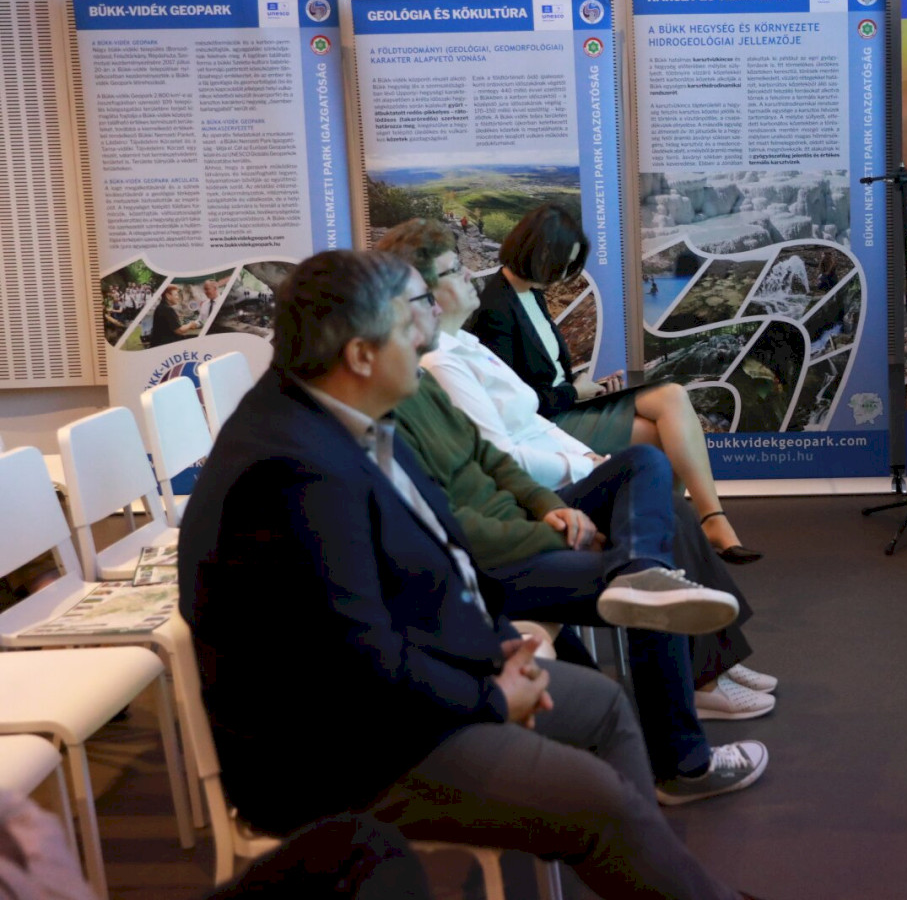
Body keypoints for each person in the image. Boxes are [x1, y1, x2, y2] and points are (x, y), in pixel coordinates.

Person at [178, 249, 757, 900]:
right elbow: (363, 666)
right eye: (409, 323)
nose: (426, 338)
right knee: (596, 800)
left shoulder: (338, 418)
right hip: (342, 759)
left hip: (403, 695)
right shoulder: (293, 472)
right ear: (360, 356)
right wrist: (492, 696)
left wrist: (497, 647)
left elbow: (430, 570)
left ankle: (658, 878)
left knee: (603, 707)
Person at [378, 219, 779, 726]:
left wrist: (588, 460)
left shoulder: (463, 345)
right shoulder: (440, 363)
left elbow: (516, 437)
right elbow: (501, 456)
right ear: (421, 295)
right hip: (535, 503)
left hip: (546, 482)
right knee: (656, 485)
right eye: (455, 270)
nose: (468, 275)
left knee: (658, 485)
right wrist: (580, 467)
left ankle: (710, 663)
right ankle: (699, 667)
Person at [469, 205, 762, 563]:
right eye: (560, 265)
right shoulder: (495, 308)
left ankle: (704, 522)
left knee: (672, 396)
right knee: (658, 438)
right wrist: (574, 391)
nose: (563, 276)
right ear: (537, 252)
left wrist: (583, 385)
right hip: (544, 422)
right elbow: (515, 403)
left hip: (569, 401)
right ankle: (680, 531)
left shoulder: (531, 292)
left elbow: (545, 370)